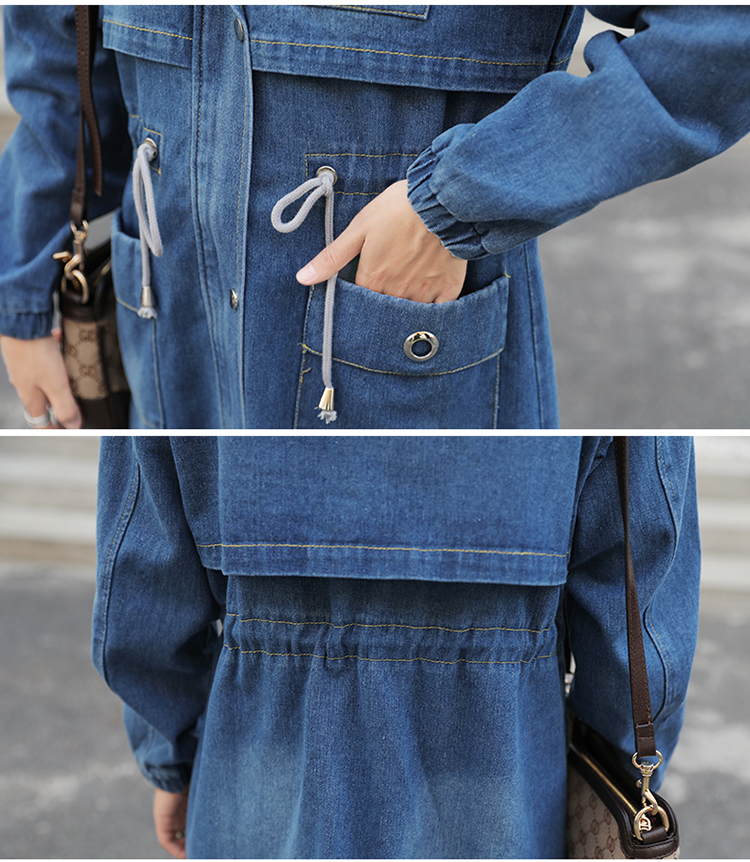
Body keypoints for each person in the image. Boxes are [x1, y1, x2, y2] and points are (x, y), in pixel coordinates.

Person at [2, 7, 749, 430]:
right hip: (168, 327)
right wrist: (26, 286)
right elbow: (58, 55)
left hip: (400, 348)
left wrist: (458, 198)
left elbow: (723, 34)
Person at [93, 435, 700, 858]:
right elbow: (639, 599)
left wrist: (171, 755)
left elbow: (143, 573)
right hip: (502, 766)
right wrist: (619, 774)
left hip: (260, 758)